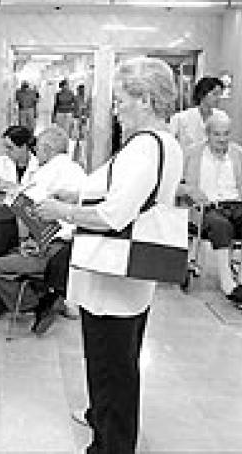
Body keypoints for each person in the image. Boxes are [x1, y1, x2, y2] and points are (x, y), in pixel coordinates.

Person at [34, 57, 183, 454]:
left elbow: (113, 215)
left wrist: (62, 210)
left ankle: (111, 444)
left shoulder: (143, 149)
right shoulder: (165, 144)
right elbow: (125, 195)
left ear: (146, 100)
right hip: (129, 278)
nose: (115, 109)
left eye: (120, 100)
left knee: (110, 366)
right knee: (118, 360)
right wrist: (76, 194)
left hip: (112, 278)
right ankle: (101, 418)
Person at [0, 125, 86, 333]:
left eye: (38, 149)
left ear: (47, 149)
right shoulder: (79, 171)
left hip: (55, 252)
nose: (35, 153)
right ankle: (54, 296)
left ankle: (39, 304)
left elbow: (24, 206)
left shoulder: (46, 173)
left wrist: (26, 242)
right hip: (77, 252)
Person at [178, 115, 242, 309]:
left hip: (236, 204)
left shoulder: (238, 153)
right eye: (217, 134)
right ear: (207, 134)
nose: (222, 139)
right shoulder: (192, 154)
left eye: (226, 134)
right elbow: (175, 183)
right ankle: (227, 283)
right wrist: (189, 190)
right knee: (220, 225)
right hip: (206, 207)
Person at [168, 76, 229, 150]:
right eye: (215, 94)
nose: (218, 98)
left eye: (220, 94)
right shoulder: (181, 118)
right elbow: (169, 143)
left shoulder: (221, 117)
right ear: (202, 94)